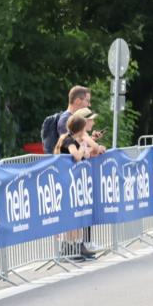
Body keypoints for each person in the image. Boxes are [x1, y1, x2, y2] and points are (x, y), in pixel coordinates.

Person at [54, 110, 96, 260]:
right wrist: (82, 148)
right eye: (84, 128)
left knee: (77, 215)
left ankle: (76, 245)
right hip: (66, 182)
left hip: (74, 182)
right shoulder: (68, 140)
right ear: (80, 128)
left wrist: (86, 147)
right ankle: (68, 247)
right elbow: (77, 156)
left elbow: (85, 155)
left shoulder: (75, 140)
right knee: (70, 216)